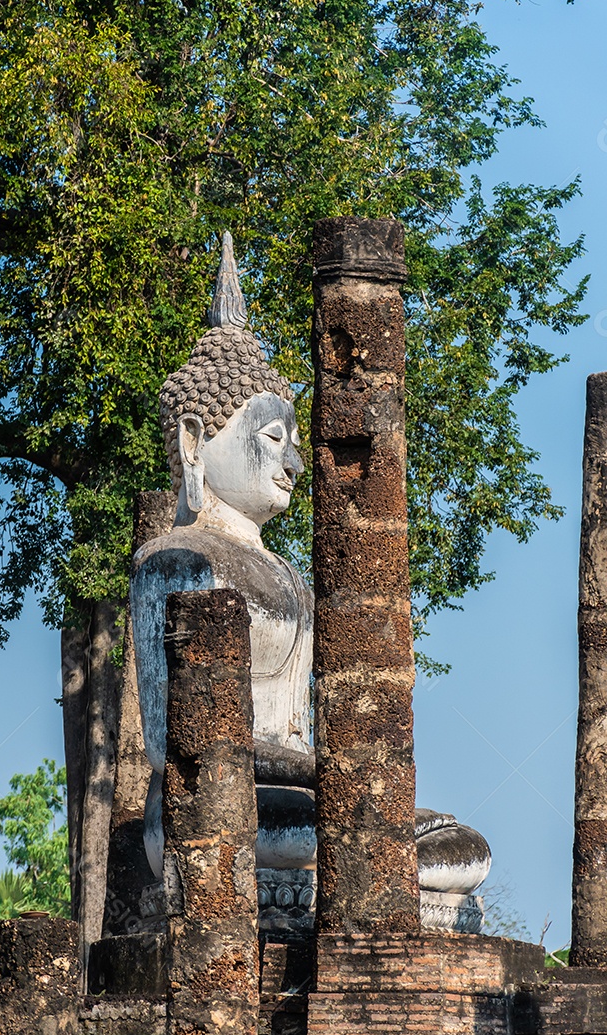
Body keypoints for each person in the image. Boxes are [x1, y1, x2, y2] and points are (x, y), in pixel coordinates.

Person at [131, 232, 490, 900]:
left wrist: (334, 775)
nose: (295, 462)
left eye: (296, 440)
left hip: (309, 795)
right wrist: (329, 775)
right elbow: (171, 745)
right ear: (194, 442)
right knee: (370, 840)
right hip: (210, 808)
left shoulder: (292, 578)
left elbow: (298, 726)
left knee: (462, 852)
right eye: (273, 439)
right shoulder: (176, 562)